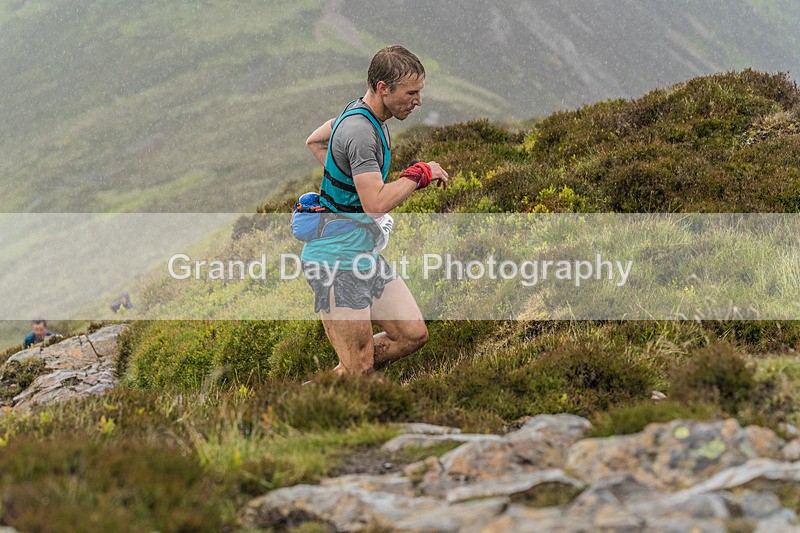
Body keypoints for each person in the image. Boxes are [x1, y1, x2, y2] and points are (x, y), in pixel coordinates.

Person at [302, 45, 449, 377]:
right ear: (383, 88)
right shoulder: (361, 132)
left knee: (412, 335)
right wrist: (419, 174)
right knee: (360, 366)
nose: (418, 101)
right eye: (411, 93)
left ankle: (345, 373)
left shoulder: (356, 114)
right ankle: (304, 403)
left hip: (362, 253)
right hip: (334, 260)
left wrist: (348, 182)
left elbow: (314, 140)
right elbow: (376, 204)